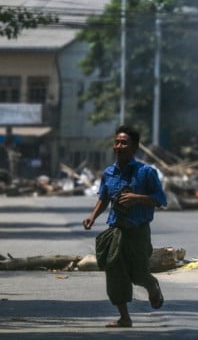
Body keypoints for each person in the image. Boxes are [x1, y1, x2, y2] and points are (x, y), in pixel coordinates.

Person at [83, 125, 167, 328]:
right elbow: (103, 198)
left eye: (124, 143)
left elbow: (160, 199)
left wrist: (137, 198)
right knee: (114, 270)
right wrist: (92, 217)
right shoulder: (109, 173)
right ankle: (124, 317)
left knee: (138, 274)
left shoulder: (146, 172)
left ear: (135, 147)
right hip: (116, 230)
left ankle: (152, 285)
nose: (119, 146)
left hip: (138, 231)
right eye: (117, 142)